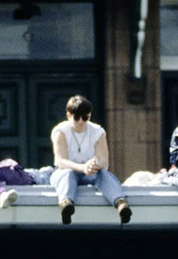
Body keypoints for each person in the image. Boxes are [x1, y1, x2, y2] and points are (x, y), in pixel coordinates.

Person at [50, 95, 131, 225]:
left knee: (104, 174)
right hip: (65, 173)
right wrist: (82, 167)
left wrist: (94, 166)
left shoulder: (97, 132)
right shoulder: (61, 131)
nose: (81, 121)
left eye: (85, 117)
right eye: (77, 117)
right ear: (69, 115)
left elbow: (104, 162)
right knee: (67, 174)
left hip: (91, 172)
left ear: (89, 115)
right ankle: (66, 204)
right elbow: (60, 161)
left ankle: (120, 203)